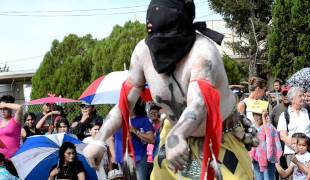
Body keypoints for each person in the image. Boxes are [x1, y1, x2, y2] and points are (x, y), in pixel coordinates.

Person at [84, 0, 258, 179]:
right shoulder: (142, 52)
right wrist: (100, 139)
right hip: (172, 138)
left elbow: (198, 104)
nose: (160, 45)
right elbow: (125, 103)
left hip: (218, 138)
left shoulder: (203, 54)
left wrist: (178, 135)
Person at [277, 87, 310, 171]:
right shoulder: (284, 115)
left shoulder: (308, 112)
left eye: (303, 95)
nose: (303, 98)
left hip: (309, 151)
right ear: (292, 99)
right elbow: (283, 136)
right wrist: (296, 148)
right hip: (292, 153)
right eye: (300, 96)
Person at [113, 98, 154, 180]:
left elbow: (151, 139)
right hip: (121, 160)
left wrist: (135, 131)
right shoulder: (116, 120)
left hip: (138, 160)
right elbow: (110, 138)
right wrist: (113, 155)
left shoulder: (144, 120)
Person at [250, 111, 282, 180]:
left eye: (260, 115)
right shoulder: (251, 127)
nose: (259, 117)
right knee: (258, 178)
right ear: (253, 115)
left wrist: (265, 120)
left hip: (268, 159)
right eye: (256, 115)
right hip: (256, 158)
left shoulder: (269, 126)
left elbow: (269, 136)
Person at [0, 95, 23, 177]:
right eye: (1, 109)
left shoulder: (15, 120)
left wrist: (4, 104)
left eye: (5, 108)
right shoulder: (0, 122)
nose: (2, 111)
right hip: (1, 161)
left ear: (10, 107)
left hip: (13, 160)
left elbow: (20, 107)